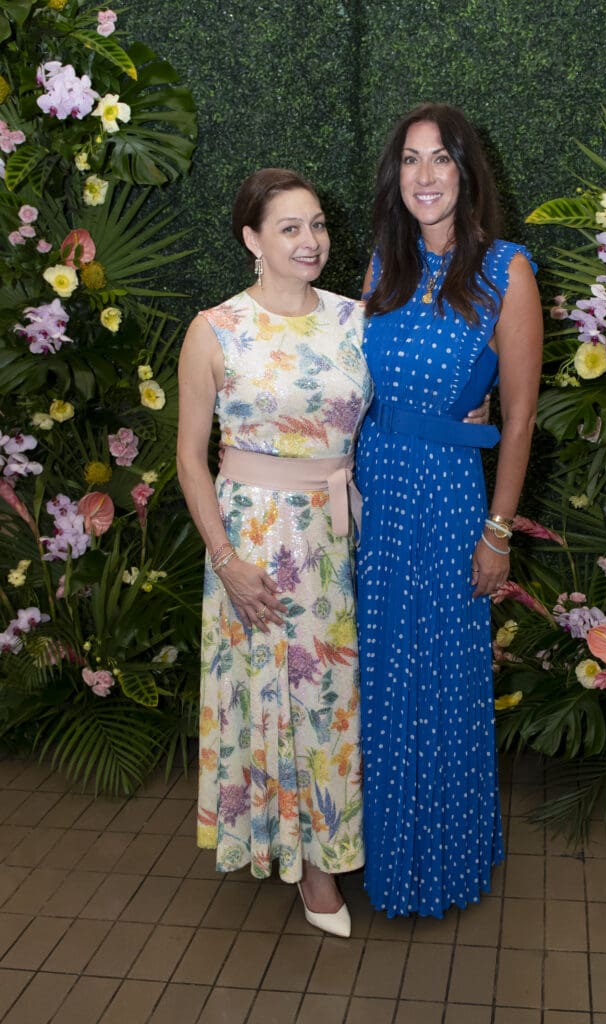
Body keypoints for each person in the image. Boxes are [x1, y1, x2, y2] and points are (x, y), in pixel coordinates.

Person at [355, 103, 543, 918]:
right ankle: (382, 848)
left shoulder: (508, 269)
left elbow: (522, 414)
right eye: (408, 159)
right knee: (379, 675)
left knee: (440, 676)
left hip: (444, 498)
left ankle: (446, 855)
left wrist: (497, 531)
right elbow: (353, 391)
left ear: (466, 173)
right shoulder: (379, 269)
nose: (423, 175)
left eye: (439, 159)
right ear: (394, 177)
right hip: (372, 493)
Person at [176, 168, 372, 938]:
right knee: (263, 691)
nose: (310, 240)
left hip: (338, 533)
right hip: (250, 538)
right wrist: (225, 560)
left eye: (317, 224)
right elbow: (192, 457)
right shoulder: (215, 328)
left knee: (330, 699)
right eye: (289, 227)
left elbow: (399, 411)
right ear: (252, 240)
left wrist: (473, 406)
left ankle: (326, 851)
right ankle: (280, 848)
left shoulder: (357, 320)